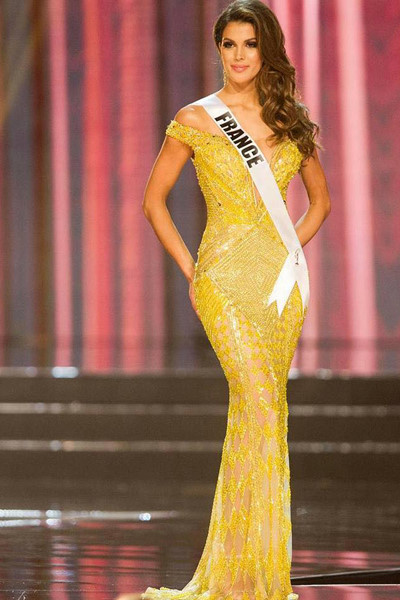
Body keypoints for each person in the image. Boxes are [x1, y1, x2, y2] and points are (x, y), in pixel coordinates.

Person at [135, 2, 331, 600]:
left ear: (265, 49)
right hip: (221, 282)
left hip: (278, 290)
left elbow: (320, 203)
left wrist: (285, 251)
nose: (240, 55)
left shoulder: (289, 118)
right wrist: (194, 272)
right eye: (229, 44)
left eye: (250, 43)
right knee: (260, 407)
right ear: (218, 49)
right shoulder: (196, 118)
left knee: (263, 413)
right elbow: (153, 201)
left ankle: (251, 573)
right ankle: (243, 574)